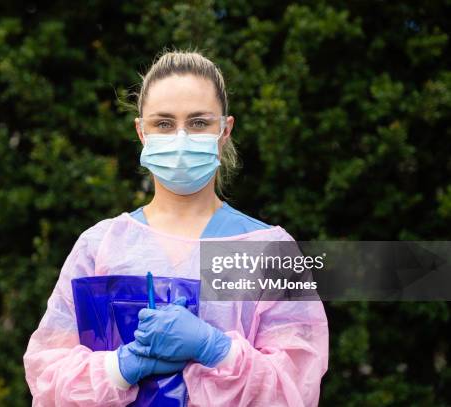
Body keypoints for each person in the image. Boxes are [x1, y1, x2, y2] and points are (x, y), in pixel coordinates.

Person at [23, 50, 329, 406]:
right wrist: (120, 368)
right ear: (142, 132)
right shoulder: (100, 246)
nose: (181, 138)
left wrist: (215, 350)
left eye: (199, 123)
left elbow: (295, 388)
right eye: (164, 124)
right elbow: (48, 379)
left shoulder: (270, 250)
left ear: (224, 130)